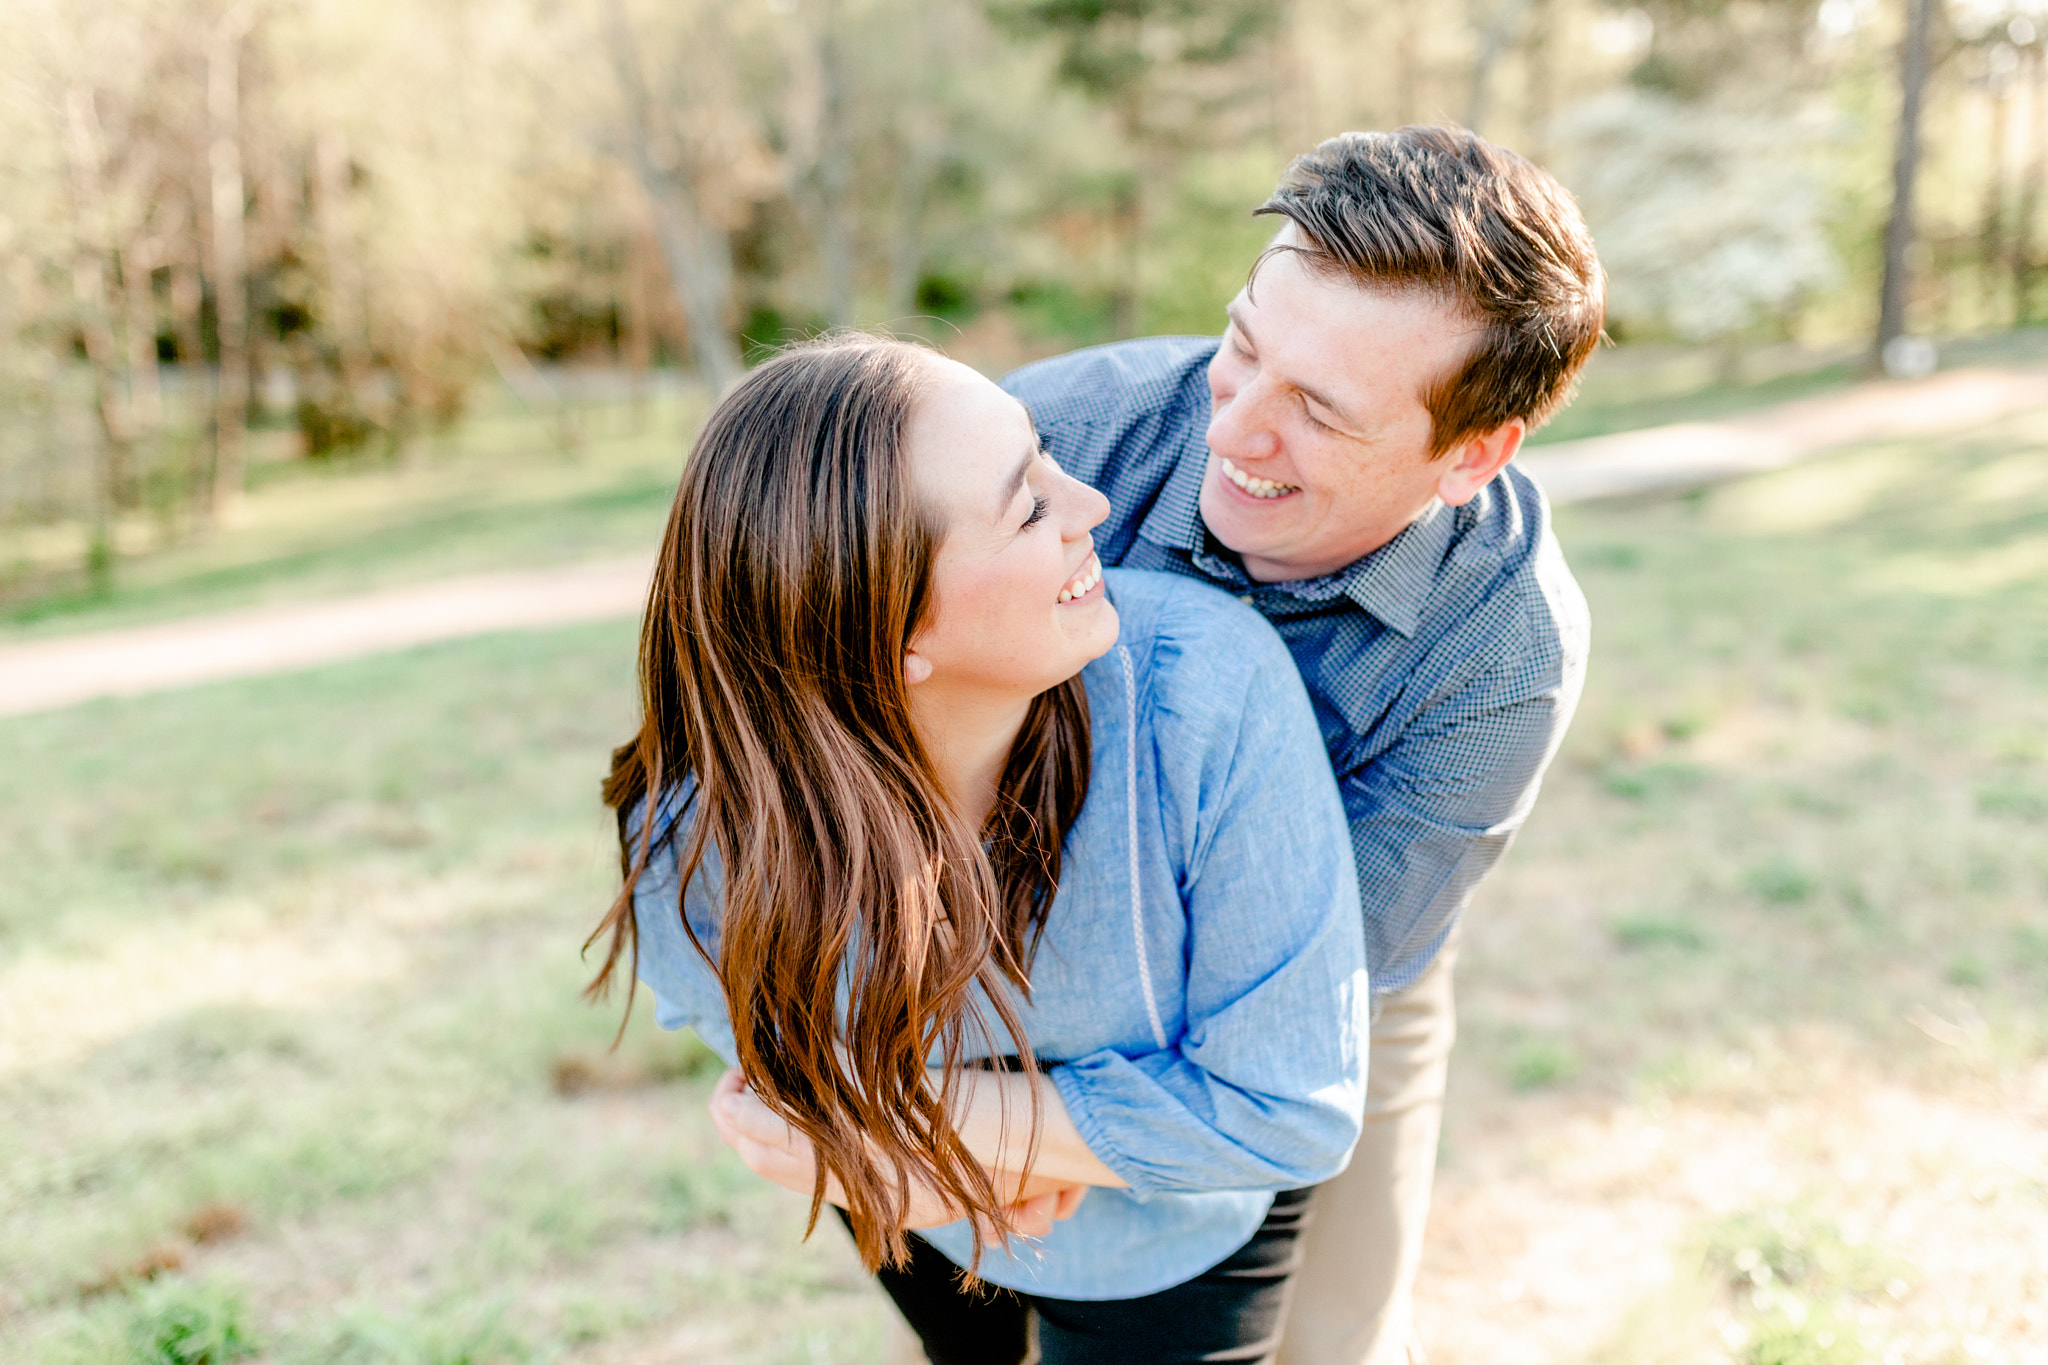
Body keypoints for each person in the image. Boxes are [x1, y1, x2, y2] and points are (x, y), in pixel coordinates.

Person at [585, 334, 1372, 1364]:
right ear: (890, 628)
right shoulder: (691, 831)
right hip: (918, 1215)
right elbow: (768, 1060)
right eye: (1030, 505)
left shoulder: (1206, 686)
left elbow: (1287, 1109)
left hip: (1184, 1228)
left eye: (1047, 461)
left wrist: (912, 1134)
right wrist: (919, 1170)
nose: (1089, 506)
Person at [995, 127, 1602, 1365]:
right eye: (1242, 347)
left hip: (1318, 978)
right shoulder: (1045, 436)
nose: (1233, 434)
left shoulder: (1501, 656)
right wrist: (988, 1115)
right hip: (1010, 921)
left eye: (1317, 412)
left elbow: (1286, 1023)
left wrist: (1053, 1133)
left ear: (1470, 453)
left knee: (1332, 1341)